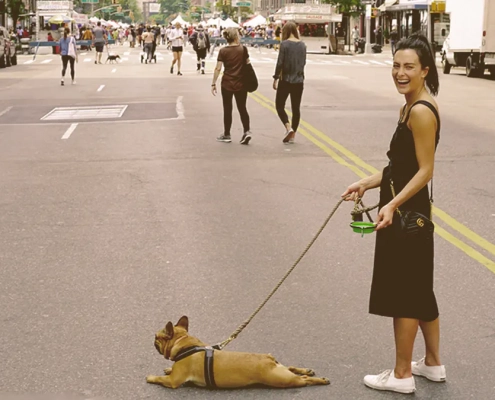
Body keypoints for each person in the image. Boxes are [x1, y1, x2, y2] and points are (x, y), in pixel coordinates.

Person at [342, 33, 443, 395]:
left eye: (409, 67)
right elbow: (400, 165)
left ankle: (401, 374)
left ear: (424, 70)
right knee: (419, 289)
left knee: (404, 292)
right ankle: (432, 363)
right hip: (405, 211)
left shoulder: (420, 111)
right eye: (397, 66)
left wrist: (392, 203)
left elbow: (425, 170)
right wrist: (367, 184)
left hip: (406, 216)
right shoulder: (410, 105)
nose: (401, 73)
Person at [211, 27, 252, 145]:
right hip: (241, 83)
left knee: (227, 109)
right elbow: (248, 65)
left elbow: (218, 68)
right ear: (236, 36)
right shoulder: (243, 49)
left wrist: (213, 83)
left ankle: (227, 134)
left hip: (227, 83)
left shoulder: (223, 51)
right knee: (242, 107)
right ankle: (246, 131)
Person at [272, 22, 306, 144]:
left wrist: (275, 78)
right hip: (299, 80)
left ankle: (288, 127)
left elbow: (280, 62)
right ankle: (293, 133)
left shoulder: (284, 44)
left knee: (279, 105)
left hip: (285, 80)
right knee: (295, 108)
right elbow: (303, 63)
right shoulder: (302, 45)